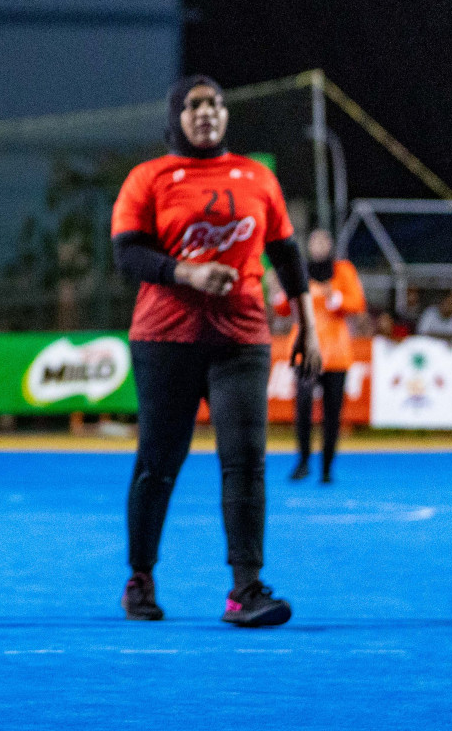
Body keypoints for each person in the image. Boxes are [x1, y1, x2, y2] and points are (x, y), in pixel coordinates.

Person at [111, 76, 320, 628]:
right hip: (165, 339)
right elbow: (127, 254)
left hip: (242, 341)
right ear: (177, 116)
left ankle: (246, 589)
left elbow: (288, 256)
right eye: (195, 105)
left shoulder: (257, 177)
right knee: (158, 462)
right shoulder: (149, 177)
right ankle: (140, 579)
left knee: (246, 462)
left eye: (216, 105)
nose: (207, 113)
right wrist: (186, 272)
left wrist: (310, 328)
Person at [269, 230, 365, 483]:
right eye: (315, 241)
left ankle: (327, 466)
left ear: (331, 245)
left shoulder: (343, 270)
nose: (319, 246)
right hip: (305, 351)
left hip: (336, 352)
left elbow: (357, 303)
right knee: (302, 409)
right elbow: (283, 307)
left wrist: (337, 299)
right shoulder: (298, 269)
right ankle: (302, 461)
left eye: (324, 241)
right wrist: (276, 292)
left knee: (333, 413)